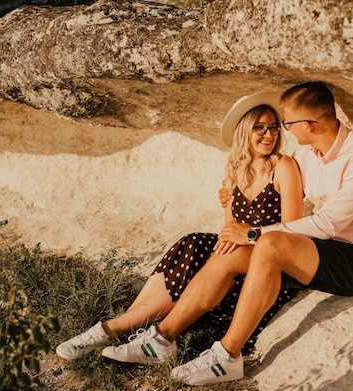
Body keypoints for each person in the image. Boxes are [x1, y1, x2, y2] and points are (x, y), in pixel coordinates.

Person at [104, 80, 353, 386]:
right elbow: (273, 185)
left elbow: (327, 224)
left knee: (269, 243)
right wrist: (232, 197)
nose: (284, 130)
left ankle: (228, 356)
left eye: (287, 123)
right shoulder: (307, 155)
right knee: (227, 251)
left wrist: (253, 233)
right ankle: (161, 341)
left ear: (307, 125)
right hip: (319, 251)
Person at [55, 91, 304, 361]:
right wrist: (226, 226)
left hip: (269, 259)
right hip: (236, 255)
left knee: (218, 258)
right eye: (260, 127)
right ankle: (135, 328)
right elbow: (229, 230)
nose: (269, 135)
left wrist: (247, 237)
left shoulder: (284, 166)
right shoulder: (235, 171)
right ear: (245, 130)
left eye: (273, 128)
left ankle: (111, 329)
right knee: (193, 243)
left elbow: (294, 231)